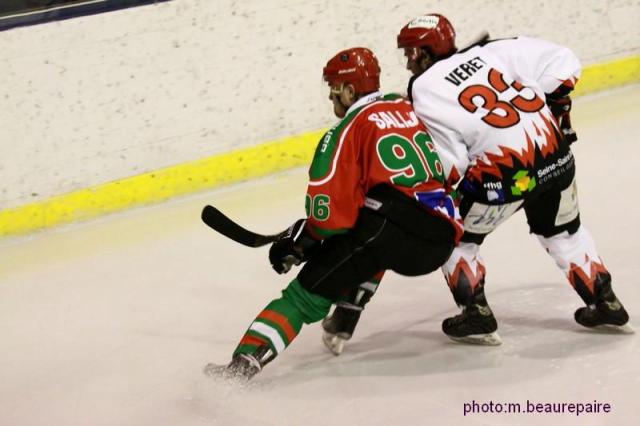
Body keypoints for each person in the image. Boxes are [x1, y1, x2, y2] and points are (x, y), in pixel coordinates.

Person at [322, 13, 632, 350]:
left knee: (451, 237)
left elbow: (451, 161)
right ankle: (606, 302)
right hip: (557, 157)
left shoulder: (423, 88)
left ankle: (476, 313)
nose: (409, 64)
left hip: (506, 177)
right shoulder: (491, 51)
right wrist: (558, 113)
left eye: (410, 54)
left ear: (425, 53)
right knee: (564, 233)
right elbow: (564, 63)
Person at [204, 47, 462, 379]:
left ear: (351, 90)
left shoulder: (344, 132)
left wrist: (302, 243)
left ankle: (238, 370)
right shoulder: (408, 106)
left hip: (392, 225)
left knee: (301, 298)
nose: (331, 96)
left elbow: (331, 217)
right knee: (371, 242)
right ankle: (346, 318)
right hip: (443, 237)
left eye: (335, 88)